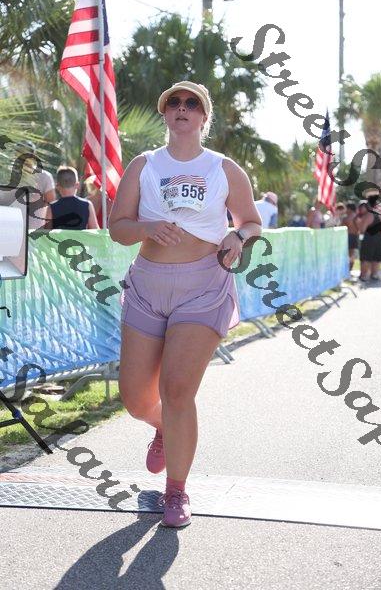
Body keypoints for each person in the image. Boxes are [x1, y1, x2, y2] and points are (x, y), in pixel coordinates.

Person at [108, 81, 262, 528]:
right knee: (136, 399)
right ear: (165, 113)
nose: (182, 108)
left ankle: (176, 491)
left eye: (192, 103)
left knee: (177, 391)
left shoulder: (224, 168)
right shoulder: (144, 165)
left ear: (203, 117)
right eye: (173, 102)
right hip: (148, 285)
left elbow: (251, 222)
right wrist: (146, 228)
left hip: (202, 286)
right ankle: (163, 426)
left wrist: (237, 236)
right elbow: (118, 227)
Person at [15, 140, 56, 230]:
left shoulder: (45, 176)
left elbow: (52, 205)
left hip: (35, 231)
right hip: (12, 229)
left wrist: (47, 230)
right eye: (19, 153)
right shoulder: (9, 175)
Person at [44, 166, 99, 230]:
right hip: (80, 237)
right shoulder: (87, 205)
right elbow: (95, 230)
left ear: (57, 186)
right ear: (77, 185)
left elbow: (46, 232)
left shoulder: (52, 207)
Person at [356, 193, 381, 282]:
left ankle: (363, 276)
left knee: (366, 258)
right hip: (378, 239)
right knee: (376, 258)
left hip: (368, 239)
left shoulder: (368, 215)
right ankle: (374, 275)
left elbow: (362, 230)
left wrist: (359, 223)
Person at [342, 202, 359, 272]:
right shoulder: (357, 217)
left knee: (347, 254)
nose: (345, 210)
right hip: (355, 236)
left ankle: (347, 269)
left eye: (346, 208)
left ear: (349, 209)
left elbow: (341, 227)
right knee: (352, 253)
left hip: (348, 236)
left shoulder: (346, 218)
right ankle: (350, 269)